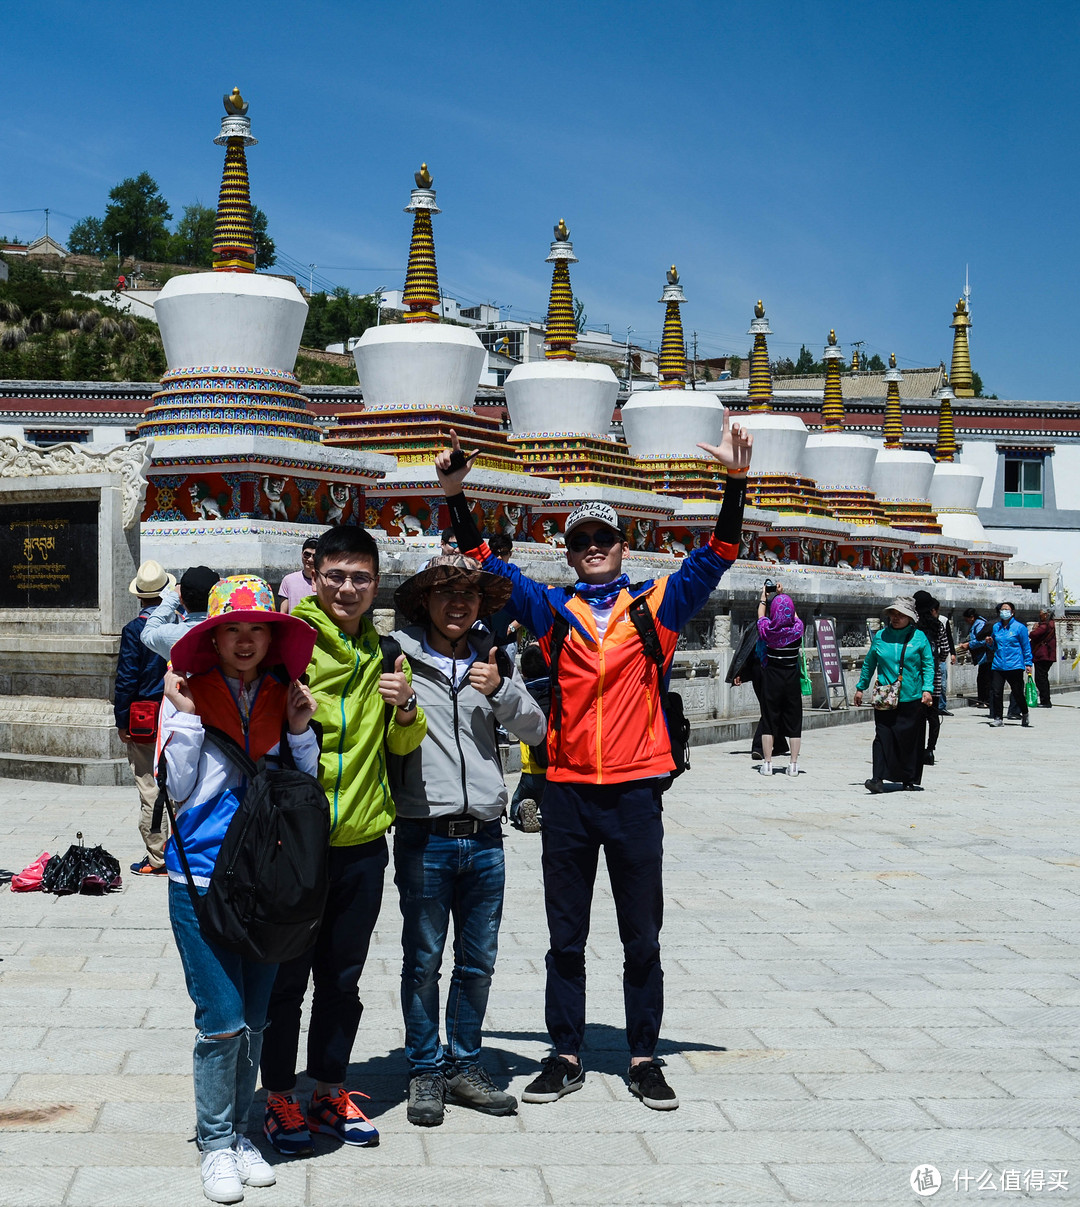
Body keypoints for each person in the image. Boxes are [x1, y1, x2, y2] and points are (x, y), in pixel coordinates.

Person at [434, 414, 753, 1111]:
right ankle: (567, 1051)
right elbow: (488, 562)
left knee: (642, 934)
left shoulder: (657, 605)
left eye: (603, 537)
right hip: (570, 793)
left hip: (636, 792)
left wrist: (735, 482)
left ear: (621, 545)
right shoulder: (552, 611)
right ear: (570, 552)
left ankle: (643, 1056)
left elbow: (721, 550)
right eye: (581, 540)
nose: (593, 548)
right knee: (565, 935)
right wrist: (457, 495)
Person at [260, 525, 427, 1157]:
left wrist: (406, 708)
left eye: (361, 577)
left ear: (376, 582)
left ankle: (331, 1087)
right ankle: (278, 1094)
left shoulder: (387, 655)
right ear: (314, 572)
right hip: (292, 843)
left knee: (342, 978)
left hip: (361, 840)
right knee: (285, 978)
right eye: (336, 575)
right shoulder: (288, 646)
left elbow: (401, 747)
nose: (348, 588)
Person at [157, 574, 320, 1204]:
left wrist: (301, 729)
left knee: (255, 1018)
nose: (246, 641)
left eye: (258, 630)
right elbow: (174, 788)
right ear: (214, 638)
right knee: (221, 1020)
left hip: (264, 880)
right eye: (233, 630)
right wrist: (191, 720)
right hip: (198, 875)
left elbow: (301, 788)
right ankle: (214, 1141)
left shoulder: (285, 696)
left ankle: (241, 1132)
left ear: (271, 637)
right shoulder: (185, 696)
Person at [389, 555, 547, 1127]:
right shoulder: (397, 659)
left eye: (470, 596)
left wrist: (502, 690)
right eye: (446, 593)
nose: (459, 604)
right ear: (424, 602)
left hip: (484, 834)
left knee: (478, 961)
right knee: (423, 960)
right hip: (423, 832)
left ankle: (465, 1062)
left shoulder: (495, 658)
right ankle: (425, 1069)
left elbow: (536, 729)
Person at [115, 560, 171, 875]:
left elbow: (126, 680)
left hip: (144, 719)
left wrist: (122, 721)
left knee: (149, 786)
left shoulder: (135, 630)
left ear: (140, 597)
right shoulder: (177, 624)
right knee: (176, 786)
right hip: (177, 713)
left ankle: (157, 858)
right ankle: (177, 852)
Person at [853, 597, 935, 793]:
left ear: (910, 617)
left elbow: (928, 665)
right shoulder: (880, 637)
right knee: (882, 737)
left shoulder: (919, 637)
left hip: (911, 697)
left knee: (909, 740)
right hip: (885, 697)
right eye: (893, 615)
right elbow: (869, 663)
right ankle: (877, 778)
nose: (896, 618)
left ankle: (908, 778)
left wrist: (927, 689)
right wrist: (860, 687)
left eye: (901, 615)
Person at [755, 584, 804, 777]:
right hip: (791, 678)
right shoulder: (797, 630)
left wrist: (764, 598)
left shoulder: (768, 631)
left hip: (772, 678)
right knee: (794, 721)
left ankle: (768, 764)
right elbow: (795, 617)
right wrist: (783, 596)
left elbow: (760, 615)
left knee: (769, 719)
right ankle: (793, 764)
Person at [725, 622, 788, 761]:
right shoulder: (759, 626)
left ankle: (779, 743)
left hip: (773, 670)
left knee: (771, 707)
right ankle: (759, 747)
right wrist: (739, 672)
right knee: (769, 708)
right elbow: (747, 649)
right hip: (763, 671)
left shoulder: (779, 625)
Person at [509, 643, 550, 833]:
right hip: (557, 767)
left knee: (518, 801)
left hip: (532, 770)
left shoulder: (523, 694)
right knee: (551, 801)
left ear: (523, 672)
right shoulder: (555, 691)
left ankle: (521, 808)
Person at [141, 565, 220, 661]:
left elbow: (147, 632)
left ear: (181, 599)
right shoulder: (226, 633)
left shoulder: (168, 634)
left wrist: (173, 597)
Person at [913, 591, 950, 768]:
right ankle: (930, 750)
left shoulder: (912, 626)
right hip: (933, 678)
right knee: (933, 716)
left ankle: (916, 748)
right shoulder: (938, 626)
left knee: (916, 716)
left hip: (914, 679)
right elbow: (944, 651)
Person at [986, 601, 1034, 728]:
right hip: (998, 664)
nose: (1004, 612)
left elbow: (1026, 647)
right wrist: (990, 643)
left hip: (1015, 664)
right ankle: (998, 718)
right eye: (1002, 609)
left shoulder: (1020, 628)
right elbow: (994, 646)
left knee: (1017, 692)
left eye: (1006, 609)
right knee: (996, 692)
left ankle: (1024, 712)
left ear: (1012, 612)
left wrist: (1028, 663)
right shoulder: (996, 627)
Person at [958, 608, 991, 707]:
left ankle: (986, 701)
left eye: (967, 619)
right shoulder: (976, 624)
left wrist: (969, 645)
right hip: (981, 656)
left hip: (985, 655)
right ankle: (982, 700)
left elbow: (982, 640)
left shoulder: (980, 624)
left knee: (985, 679)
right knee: (982, 678)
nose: (966, 622)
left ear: (972, 617)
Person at [277, 537, 318, 614]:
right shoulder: (288, 580)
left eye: (314, 556)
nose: (310, 559)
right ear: (301, 554)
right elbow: (283, 612)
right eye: (307, 554)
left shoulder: (325, 582)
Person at [1029, 607, 1057, 708]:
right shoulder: (1051, 625)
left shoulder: (1044, 626)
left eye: (1041, 613)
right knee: (1043, 677)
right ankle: (1045, 700)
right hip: (1048, 655)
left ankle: (1045, 701)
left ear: (1046, 615)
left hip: (1043, 654)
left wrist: (1033, 629)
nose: (1039, 615)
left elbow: (1033, 634)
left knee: (1040, 678)